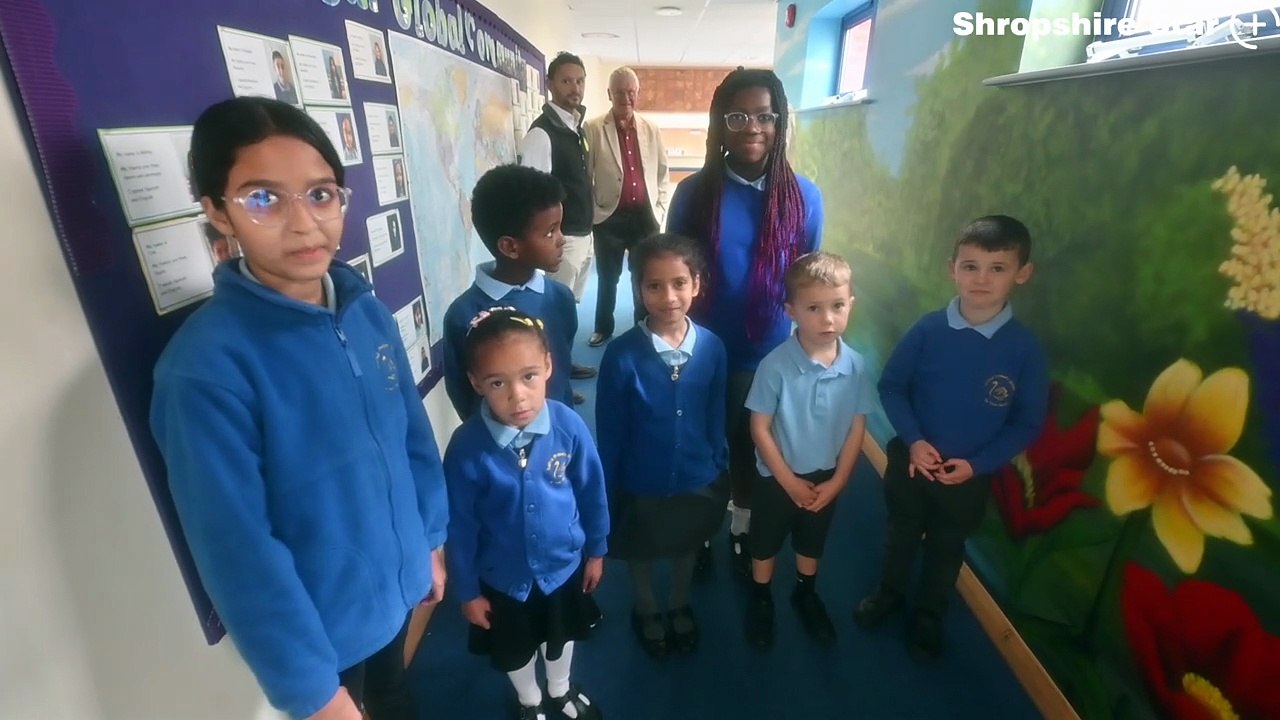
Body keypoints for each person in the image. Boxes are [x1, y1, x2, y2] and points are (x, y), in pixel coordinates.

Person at [150, 96, 448, 720]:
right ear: (215, 211)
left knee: (398, 698)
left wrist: (430, 540)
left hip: (395, 593)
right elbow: (237, 552)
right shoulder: (204, 369)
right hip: (324, 637)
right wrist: (314, 693)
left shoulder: (363, 310)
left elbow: (411, 439)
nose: (304, 224)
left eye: (321, 194)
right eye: (263, 198)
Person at [854, 215, 1048, 662]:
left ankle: (929, 615)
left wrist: (978, 465)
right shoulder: (928, 329)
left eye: (997, 268)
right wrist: (915, 439)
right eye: (971, 266)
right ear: (952, 268)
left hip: (968, 476)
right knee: (901, 532)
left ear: (1022, 273)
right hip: (911, 460)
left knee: (947, 548)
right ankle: (889, 593)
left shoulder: (1024, 350)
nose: (981, 279)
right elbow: (893, 386)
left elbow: (1026, 422)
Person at [666, 68, 824, 580]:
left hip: (771, 351)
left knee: (753, 450)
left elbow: (808, 279)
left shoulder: (804, 197)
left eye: (764, 116)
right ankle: (699, 529)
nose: (752, 126)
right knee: (702, 442)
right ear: (720, 123)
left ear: (779, 122)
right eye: (738, 116)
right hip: (703, 347)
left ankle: (740, 526)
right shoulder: (693, 193)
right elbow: (673, 274)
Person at [444, 307, 608, 720]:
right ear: (475, 382)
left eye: (529, 376)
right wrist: (466, 590)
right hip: (503, 579)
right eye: (498, 382)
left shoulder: (568, 426)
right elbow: (459, 527)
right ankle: (529, 700)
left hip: (562, 566)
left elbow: (592, 492)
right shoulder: (466, 447)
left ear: (550, 365)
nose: (517, 396)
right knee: (515, 649)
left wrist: (597, 549)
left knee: (561, 635)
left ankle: (560, 687)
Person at [595, 233, 727, 659]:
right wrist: (610, 486)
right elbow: (610, 428)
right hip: (640, 478)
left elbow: (714, 411)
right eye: (654, 286)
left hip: (695, 474)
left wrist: (715, 459)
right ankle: (647, 606)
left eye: (679, 283)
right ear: (638, 290)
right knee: (642, 544)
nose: (668, 296)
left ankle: (680, 601)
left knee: (685, 542)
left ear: (697, 285)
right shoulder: (621, 355)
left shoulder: (712, 348)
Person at [741, 251, 871, 650]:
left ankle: (805, 592)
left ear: (851, 304)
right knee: (764, 542)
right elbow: (759, 427)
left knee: (812, 541)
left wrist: (837, 482)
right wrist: (789, 482)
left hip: (825, 478)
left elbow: (856, 428)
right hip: (777, 479)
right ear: (791, 311)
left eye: (837, 306)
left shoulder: (856, 366)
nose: (828, 319)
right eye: (814, 308)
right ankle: (761, 596)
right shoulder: (775, 365)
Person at [442, 164, 579, 420]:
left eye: (560, 227)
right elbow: (462, 393)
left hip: (559, 436)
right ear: (510, 246)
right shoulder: (463, 315)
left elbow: (561, 367)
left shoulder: (561, 298)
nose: (562, 239)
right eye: (550, 232)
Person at [520, 51, 596, 388]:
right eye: (566, 81)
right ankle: (553, 385)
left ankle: (562, 367)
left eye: (579, 81)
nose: (574, 88)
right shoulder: (543, 133)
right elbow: (534, 197)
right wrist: (550, 240)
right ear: (550, 85)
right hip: (562, 241)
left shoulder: (574, 128)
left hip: (583, 234)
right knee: (549, 317)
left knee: (567, 311)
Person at [582, 67, 672, 348]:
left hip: (645, 217)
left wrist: (659, 205)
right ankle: (603, 328)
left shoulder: (651, 129)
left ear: (638, 94)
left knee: (643, 275)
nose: (626, 97)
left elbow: (662, 171)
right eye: (620, 92)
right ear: (610, 94)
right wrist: (593, 210)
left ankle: (642, 328)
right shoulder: (593, 128)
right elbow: (587, 173)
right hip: (609, 216)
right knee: (608, 278)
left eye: (631, 92)